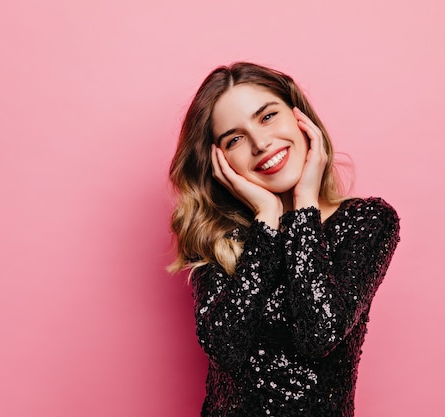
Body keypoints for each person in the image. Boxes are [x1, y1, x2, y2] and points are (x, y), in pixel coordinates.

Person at [168, 62, 400, 417]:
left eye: (267, 117)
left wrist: (304, 203)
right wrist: (266, 219)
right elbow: (225, 348)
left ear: (299, 116)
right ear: (219, 161)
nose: (260, 143)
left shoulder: (367, 221)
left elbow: (319, 332)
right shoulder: (215, 237)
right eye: (235, 139)